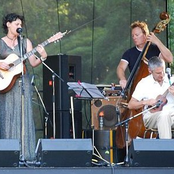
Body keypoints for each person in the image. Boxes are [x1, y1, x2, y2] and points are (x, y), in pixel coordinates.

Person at [0, 13, 64, 161]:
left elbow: (33, 62)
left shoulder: (25, 42)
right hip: (5, 84)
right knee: (7, 117)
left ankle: (26, 154)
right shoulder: (1, 42)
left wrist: (43, 56)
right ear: (8, 24)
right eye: (16, 24)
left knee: (24, 116)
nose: (19, 26)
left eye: (21, 24)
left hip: (22, 83)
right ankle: (8, 156)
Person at [116, 21, 173, 89]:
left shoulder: (156, 49)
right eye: (133, 36)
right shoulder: (129, 53)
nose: (134, 38)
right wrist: (122, 79)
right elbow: (120, 68)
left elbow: (170, 59)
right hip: (136, 89)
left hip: (155, 88)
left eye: (137, 35)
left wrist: (157, 41)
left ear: (145, 34)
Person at [128, 56, 174, 139]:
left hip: (172, 115)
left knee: (166, 115)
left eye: (163, 71)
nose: (162, 75)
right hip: (152, 116)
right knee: (164, 116)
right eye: (158, 73)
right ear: (150, 71)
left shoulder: (171, 79)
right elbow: (130, 105)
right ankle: (166, 151)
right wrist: (146, 102)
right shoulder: (144, 83)